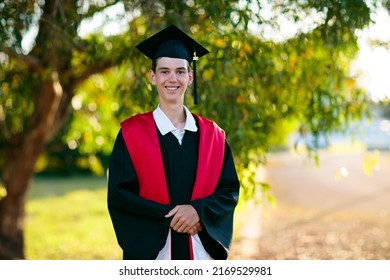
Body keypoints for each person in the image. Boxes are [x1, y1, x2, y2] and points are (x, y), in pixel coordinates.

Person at [107, 25, 240, 260]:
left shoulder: (213, 136)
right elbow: (120, 197)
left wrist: (198, 213)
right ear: (153, 76)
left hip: (200, 256)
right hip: (155, 257)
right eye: (164, 71)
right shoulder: (131, 134)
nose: (172, 78)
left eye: (180, 71)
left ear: (190, 76)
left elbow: (228, 192)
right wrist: (172, 217)